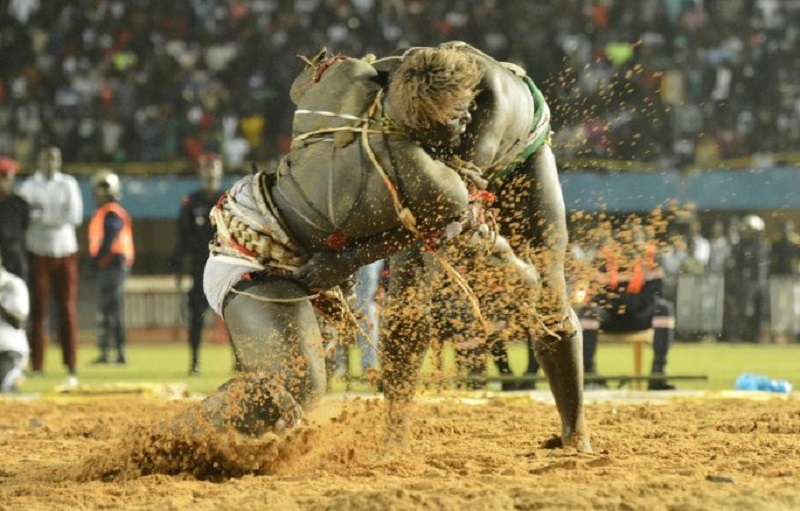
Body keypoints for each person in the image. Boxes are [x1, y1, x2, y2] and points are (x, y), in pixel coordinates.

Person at [170, 49, 508, 437]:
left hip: (271, 236)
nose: (469, 120)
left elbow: (302, 88)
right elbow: (416, 231)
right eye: (457, 113)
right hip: (254, 254)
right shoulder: (440, 185)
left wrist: (378, 76)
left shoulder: (348, 82)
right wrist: (348, 261)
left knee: (287, 391)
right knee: (296, 386)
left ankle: (214, 446)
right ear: (427, 119)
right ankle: (164, 444)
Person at [371, 42, 590, 451]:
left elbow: (459, 212)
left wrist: (517, 271)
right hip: (442, 177)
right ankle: (394, 431)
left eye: (442, 127)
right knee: (405, 295)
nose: (434, 137)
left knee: (550, 294)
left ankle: (575, 432)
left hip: (520, 162)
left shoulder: (491, 101)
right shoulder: (385, 81)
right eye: (420, 128)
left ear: (465, 108)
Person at [576, 225, 677, 390]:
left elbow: (656, 292)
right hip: (610, 318)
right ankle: (589, 373)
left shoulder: (651, 258)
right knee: (588, 311)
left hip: (638, 316)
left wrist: (628, 301)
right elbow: (597, 296)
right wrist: (624, 302)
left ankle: (658, 374)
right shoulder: (603, 259)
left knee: (664, 309)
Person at [18, 146, 83, 382]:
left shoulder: (68, 184)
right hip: (39, 252)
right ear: (39, 161)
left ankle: (71, 363)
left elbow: (74, 217)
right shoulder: (28, 186)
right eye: (46, 159)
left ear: (59, 161)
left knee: (67, 309)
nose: (50, 163)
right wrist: (56, 217)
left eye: (54, 158)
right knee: (39, 310)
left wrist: (42, 217)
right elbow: (28, 218)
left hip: (65, 251)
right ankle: (37, 364)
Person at [172, 153, 224, 375]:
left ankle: (240, 363)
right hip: (200, 267)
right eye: (206, 169)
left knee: (234, 316)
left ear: (219, 172)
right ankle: (194, 362)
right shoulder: (191, 201)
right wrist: (178, 267)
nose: (210, 173)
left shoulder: (228, 199)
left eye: (214, 169)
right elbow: (182, 237)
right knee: (196, 316)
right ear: (200, 173)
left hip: (226, 267)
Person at [87, 170, 135, 364]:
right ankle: (108, 352)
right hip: (111, 264)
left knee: (111, 309)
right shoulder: (108, 212)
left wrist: (94, 262)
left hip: (113, 263)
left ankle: (117, 352)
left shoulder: (111, 212)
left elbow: (109, 239)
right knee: (108, 310)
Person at [0, 252, 30, 393]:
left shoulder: (13, 285)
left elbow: (18, 322)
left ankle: (16, 375)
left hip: (8, 349)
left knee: (2, 386)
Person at [0, 156, 30, 282]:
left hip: (13, 254)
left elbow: (25, 225)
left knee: (18, 292)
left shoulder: (19, 202)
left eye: (8, 177)